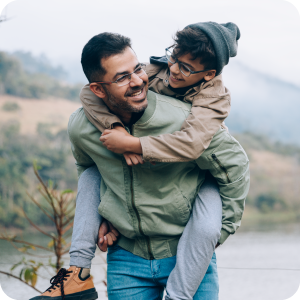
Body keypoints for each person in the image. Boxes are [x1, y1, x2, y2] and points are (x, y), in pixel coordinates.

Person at [30, 24, 249, 300]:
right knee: (91, 175)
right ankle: (78, 273)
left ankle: (177, 294)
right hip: (128, 255)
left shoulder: (211, 99)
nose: (175, 71)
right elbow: (87, 97)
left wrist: (215, 236)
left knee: (206, 226)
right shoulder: (155, 71)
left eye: (186, 68)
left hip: (190, 228)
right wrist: (108, 209)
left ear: (208, 74)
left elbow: (201, 148)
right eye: (174, 59)